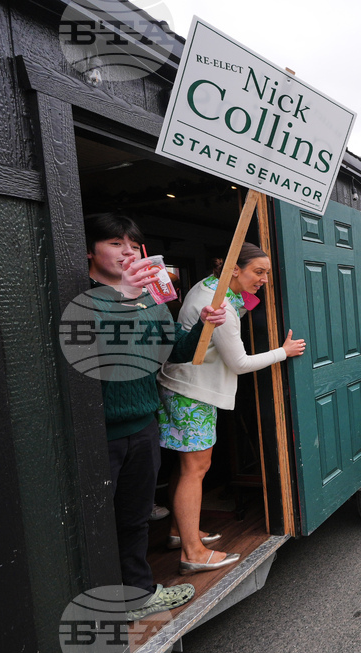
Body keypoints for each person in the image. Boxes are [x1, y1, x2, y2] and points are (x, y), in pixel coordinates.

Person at [85, 212, 226, 618]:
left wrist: (202, 329)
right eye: (115, 243)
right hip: (98, 432)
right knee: (96, 523)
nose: (127, 251)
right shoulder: (82, 298)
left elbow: (174, 352)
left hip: (144, 423)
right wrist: (124, 297)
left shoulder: (150, 297)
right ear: (89, 251)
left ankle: (138, 595)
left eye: (132, 244)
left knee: (134, 519)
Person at [158, 243, 305, 574]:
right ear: (234, 269)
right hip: (191, 393)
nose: (264, 279)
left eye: (267, 272)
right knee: (195, 469)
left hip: (181, 385)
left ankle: (179, 532)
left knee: (186, 466)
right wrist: (283, 351)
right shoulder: (220, 302)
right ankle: (192, 553)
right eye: (258, 272)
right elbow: (238, 363)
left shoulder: (212, 286)